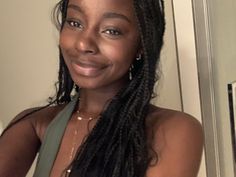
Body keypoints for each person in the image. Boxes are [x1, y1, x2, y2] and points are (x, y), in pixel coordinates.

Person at [0, 0, 204, 176]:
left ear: (141, 44)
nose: (83, 44)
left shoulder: (173, 130)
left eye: (111, 30)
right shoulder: (36, 124)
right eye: (75, 22)